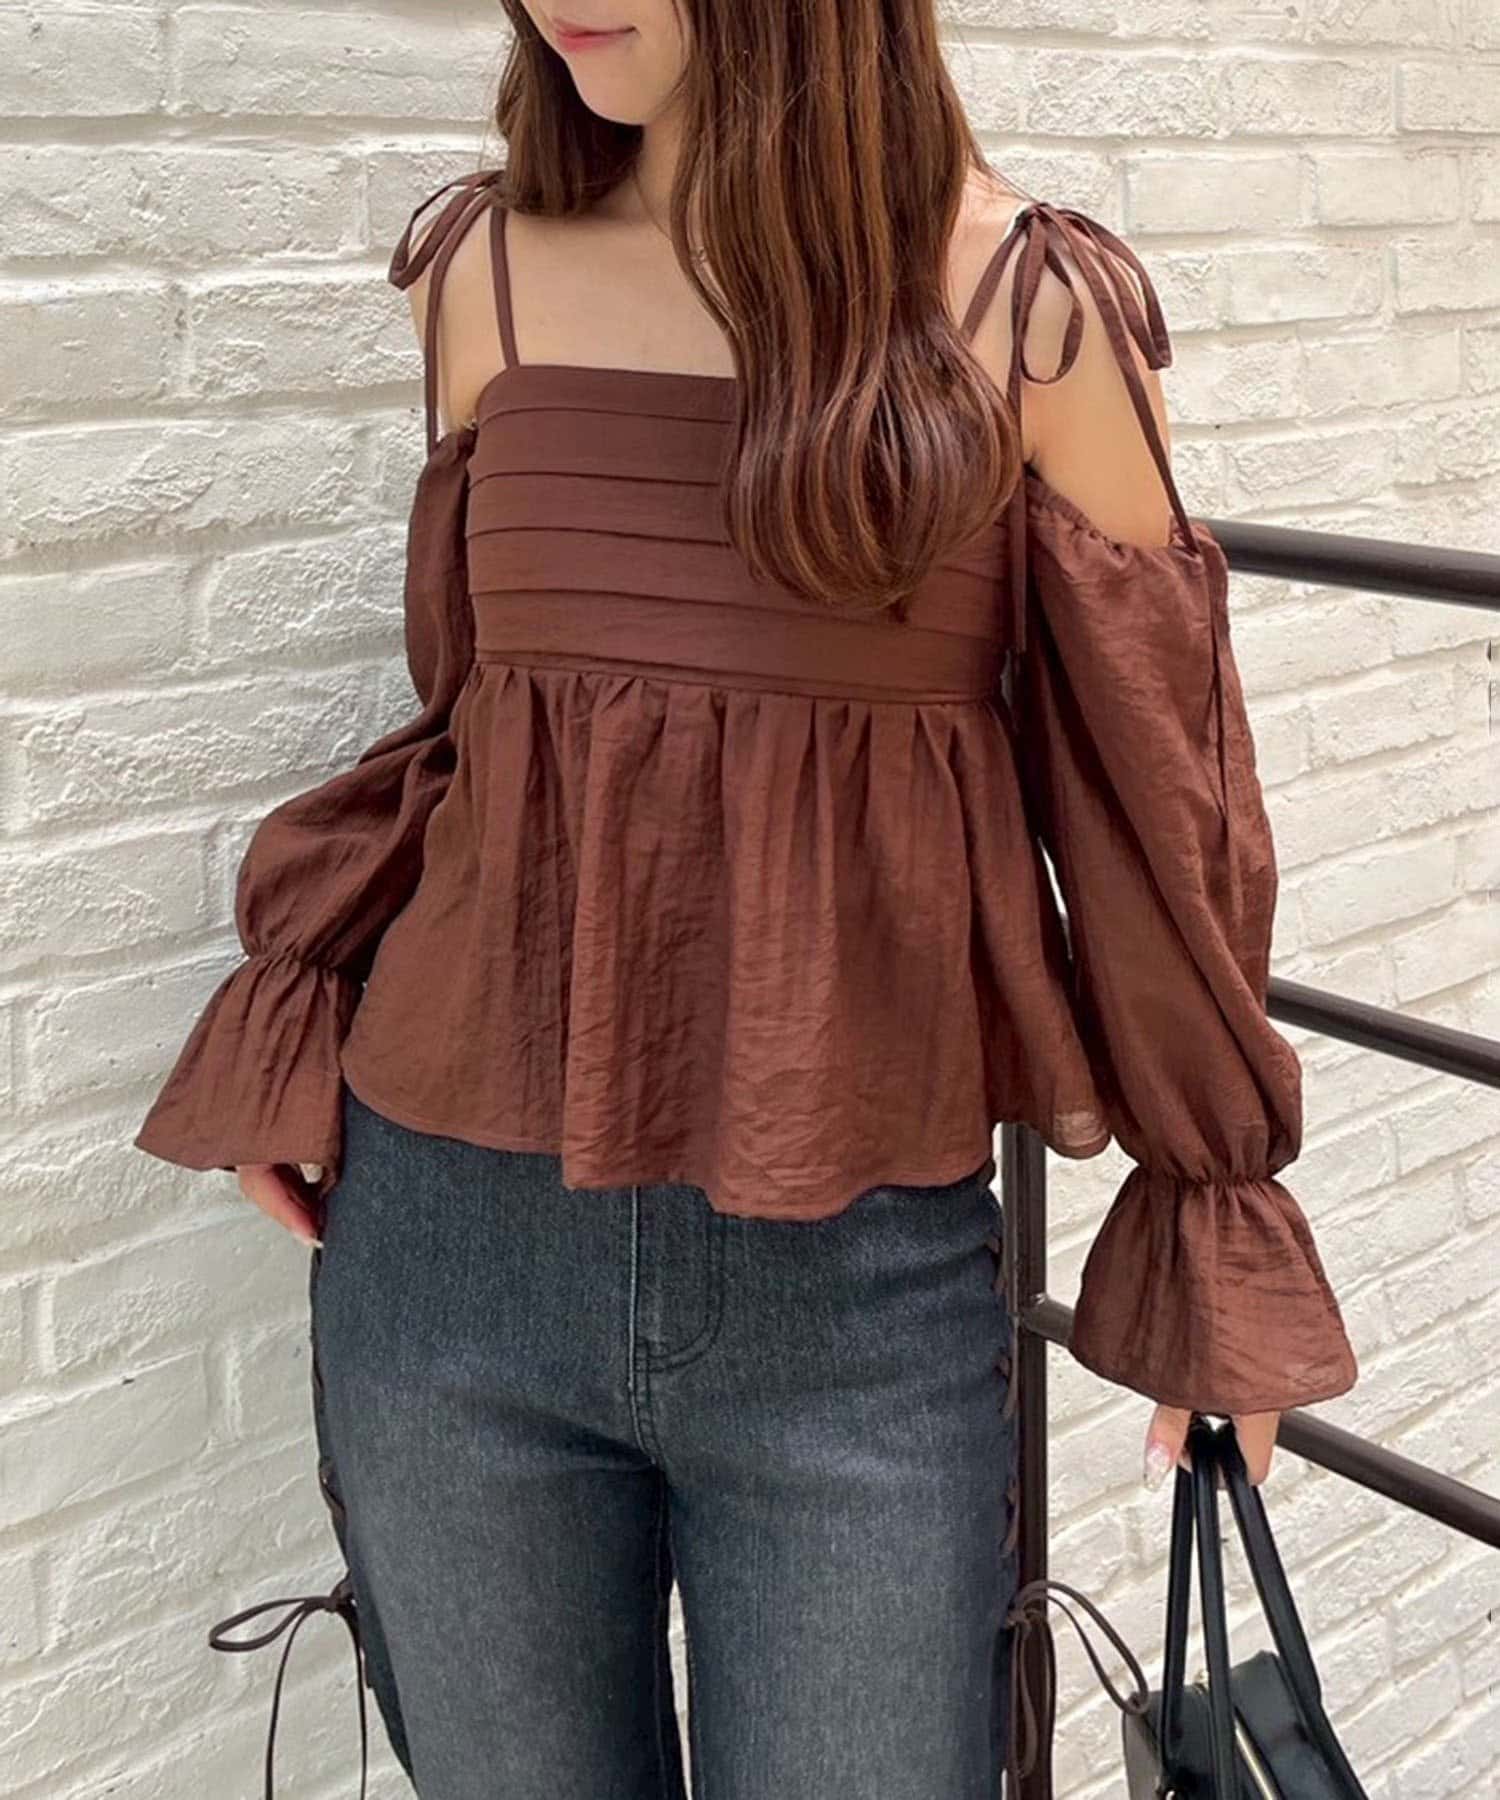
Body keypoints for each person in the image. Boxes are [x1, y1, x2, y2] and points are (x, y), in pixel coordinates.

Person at [134, 3, 1359, 1795]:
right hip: (450, 1258)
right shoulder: (484, 279)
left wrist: (1214, 1214)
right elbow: (482, 728)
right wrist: (300, 995)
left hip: (854, 1297)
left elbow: (1159, 820)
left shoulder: (1027, 311)